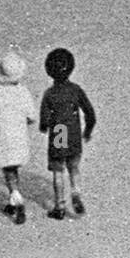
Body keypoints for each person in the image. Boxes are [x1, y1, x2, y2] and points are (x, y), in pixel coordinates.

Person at [39, 48, 96, 221]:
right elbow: (90, 113)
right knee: (73, 167)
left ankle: (60, 205)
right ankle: (76, 193)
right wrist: (87, 131)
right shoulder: (76, 90)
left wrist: (44, 126)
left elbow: (44, 118)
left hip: (59, 133)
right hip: (73, 133)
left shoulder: (50, 94)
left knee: (57, 171)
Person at [0, 53, 38, 225]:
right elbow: (31, 116)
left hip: (3, 138)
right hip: (19, 137)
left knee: (8, 170)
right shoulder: (23, 92)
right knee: (15, 169)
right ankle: (12, 198)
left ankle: (15, 196)